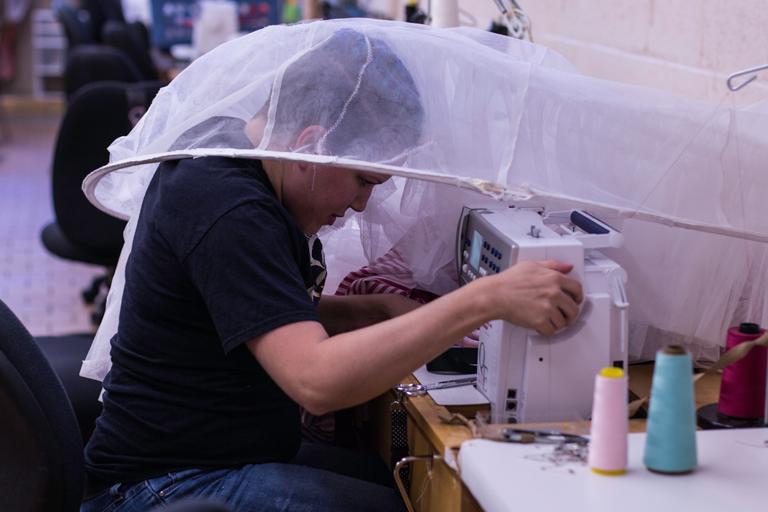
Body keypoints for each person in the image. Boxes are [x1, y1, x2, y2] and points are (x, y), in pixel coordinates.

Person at [80, 28, 583, 512]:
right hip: (163, 488)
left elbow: (250, 309)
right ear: (312, 145)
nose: (362, 204)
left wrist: (373, 310)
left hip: (209, 458)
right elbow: (317, 382)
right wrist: (483, 300)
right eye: (363, 180)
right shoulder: (229, 208)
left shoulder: (230, 155)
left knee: (399, 480)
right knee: (418, 501)